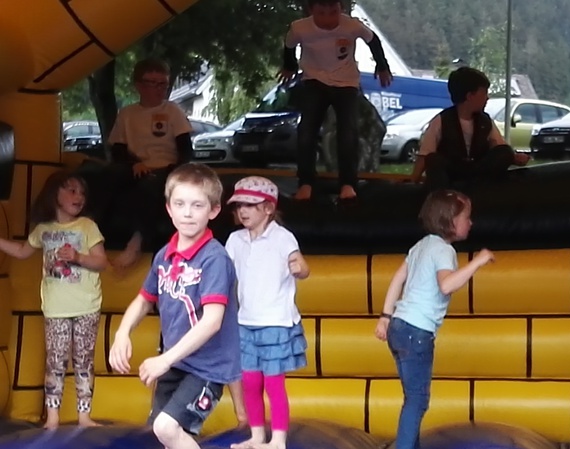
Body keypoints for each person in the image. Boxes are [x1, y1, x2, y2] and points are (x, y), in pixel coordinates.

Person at [109, 163, 240, 449]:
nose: (187, 213)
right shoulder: (164, 256)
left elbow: (213, 321)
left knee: (166, 428)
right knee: (160, 435)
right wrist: (122, 333)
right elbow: (144, 299)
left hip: (206, 368)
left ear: (213, 210)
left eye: (197, 205)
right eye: (180, 204)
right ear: (169, 209)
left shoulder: (214, 258)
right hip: (176, 362)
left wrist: (164, 360)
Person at [374, 190, 495, 449]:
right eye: (466, 217)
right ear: (451, 221)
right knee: (417, 401)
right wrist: (478, 262)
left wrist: (385, 316)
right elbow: (447, 285)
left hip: (399, 327)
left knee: (412, 399)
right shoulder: (443, 250)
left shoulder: (421, 246)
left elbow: (398, 278)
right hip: (416, 331)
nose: (470, 222)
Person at [0, 171, 107, 429]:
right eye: (71, 190)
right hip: (56, 307)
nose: (78, 196)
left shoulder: (87, 226)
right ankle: (53, 417)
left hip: (86, 305)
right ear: (54, 194)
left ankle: (84, 415)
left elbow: (101, 261)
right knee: (55, 360)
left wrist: (78, 257)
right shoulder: (44, 230)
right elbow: (22, 251)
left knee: (83, 360)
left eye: (82, 192)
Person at [225, 176, 310, 449]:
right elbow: (225, 272)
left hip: (276, 322)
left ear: (269, 208)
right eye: (239, 205)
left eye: (250, 205)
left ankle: (278, 439)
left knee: (273, 384)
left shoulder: (283, 237)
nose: (243, 211)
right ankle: (257, 436)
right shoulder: (235, 240)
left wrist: (300, 268)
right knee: (250, 382)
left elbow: (302, 266)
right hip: (246, 322)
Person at [280, 0, 393, 201]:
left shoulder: (351, 25)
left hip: (346, 83)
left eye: (333, 12)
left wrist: (382, 66)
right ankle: (306, 183)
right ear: (311, 10)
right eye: (322, 13)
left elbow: (373, 40)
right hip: (314, 80)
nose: (328, 19)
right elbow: (289, 46)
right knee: (306, 131)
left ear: (340, 8)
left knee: (348, 132)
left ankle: (348, 184)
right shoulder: (300, 28)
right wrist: (290, 66)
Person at [104, 58, 194, 271]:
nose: (159, 89)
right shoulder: (127, 114)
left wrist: (175, 171)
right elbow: (117, 150)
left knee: (150, 187)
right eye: (153, 83)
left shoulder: (172, 111)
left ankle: (137, 242)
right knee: (105, 177)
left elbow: (186, 150)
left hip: (166, 169)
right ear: (139, 85)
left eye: (163, 84)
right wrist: (133, 164)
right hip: (136, 167)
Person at [410, 67, 529, 189]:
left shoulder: (485, 121)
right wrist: (413, 180)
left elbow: (499, 147)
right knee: (433, 159)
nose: (487, 98)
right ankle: (447, 194)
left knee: (505, 151)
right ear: (470, 96)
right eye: (484, 93)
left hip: (478, 170)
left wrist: (514, 158)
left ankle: (476, 187)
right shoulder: (441, 120)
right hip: (453, 172)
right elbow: (425, 154)